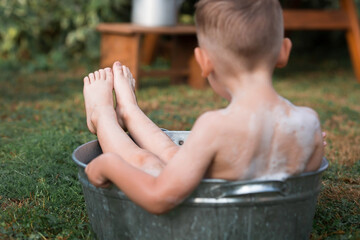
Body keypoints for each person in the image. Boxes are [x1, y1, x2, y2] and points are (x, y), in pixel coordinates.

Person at [83, 0, 324, 214]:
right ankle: (129, 113)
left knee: (147, 163)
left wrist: (108, 164)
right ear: (284, 51)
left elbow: (158, 197)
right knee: (174, 157)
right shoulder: (309, 122)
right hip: (254, 214)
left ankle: (102, 117)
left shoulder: (215, 126)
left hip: (212, 217)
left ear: (204, 61)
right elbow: (301, 183)